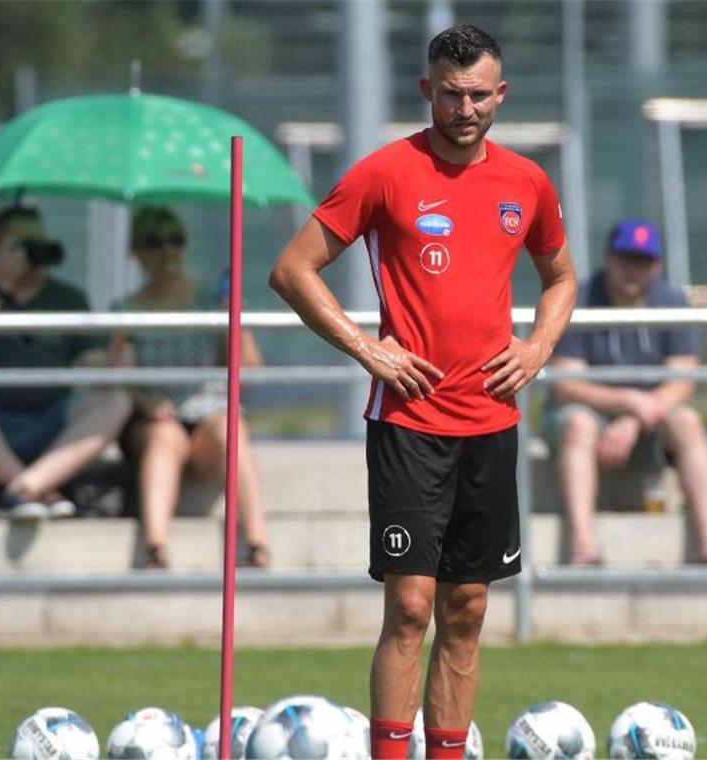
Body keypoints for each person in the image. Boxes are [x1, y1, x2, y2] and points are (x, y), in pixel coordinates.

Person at [268, 25, 576, 760]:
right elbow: (292, 270)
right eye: (450, 93)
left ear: (499, 94)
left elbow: (561, 277)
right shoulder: (384, 173)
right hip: (409, 424)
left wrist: (537, 347)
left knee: (465, 610)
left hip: (492, 422)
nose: (464, 107)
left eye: (478, 94)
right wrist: (366, 348)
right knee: (410, 607)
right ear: (425, 91)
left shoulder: (527, 182)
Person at [0, 205, 132, 519]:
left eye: (39, 242)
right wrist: (1, 286)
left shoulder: (67, 299)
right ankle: (40, 490)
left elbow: (96, 368)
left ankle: (24, 488)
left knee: (115, 402)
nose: (35, 252)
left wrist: (118, 348)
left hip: (51, 421)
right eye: (23, 245)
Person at [546, 218, 707, 566]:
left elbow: (682, 382)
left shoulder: (671, 300)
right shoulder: (580, 297)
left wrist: (633, 418)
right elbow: (567, 386)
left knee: (687, 421)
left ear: (656, 265)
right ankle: (583, 549)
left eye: (642, 261)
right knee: (579, 423)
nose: (632, 269)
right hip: (590, 416)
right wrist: (629, 402)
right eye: (625, 258)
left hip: (648, 419)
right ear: (608, 257)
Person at [113, 206, 271, 570]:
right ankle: (155, 547)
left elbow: (251, 371)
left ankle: (257, 544)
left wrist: (234, 316)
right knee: (165, 437)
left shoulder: (209, 299)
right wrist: (147, 404)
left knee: (232, 428)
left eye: (175, 240)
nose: (167, 250)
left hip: (209, 415)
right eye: (154, 242)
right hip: (156, 416)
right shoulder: (126, 308)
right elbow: (115, 377)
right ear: (136, 250)